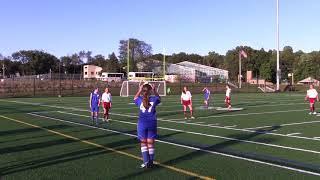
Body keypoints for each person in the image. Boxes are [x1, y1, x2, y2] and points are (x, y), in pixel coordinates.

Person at [134, 83, 161, 168]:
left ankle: (146, 162)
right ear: (150, 91)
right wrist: (155, 90)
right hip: (152, 123)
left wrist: (139, 90)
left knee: (143, 143)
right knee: (150, 143)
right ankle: (151, 162)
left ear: (143, 91)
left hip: (142, 123)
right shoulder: (154, 99)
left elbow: (135, 98)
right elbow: (159, 99)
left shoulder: (140, 99)